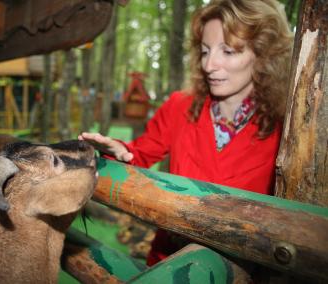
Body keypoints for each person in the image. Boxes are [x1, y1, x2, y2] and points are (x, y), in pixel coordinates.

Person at [79, 0, 293, 266]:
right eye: (205, 51)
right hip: (169, 262)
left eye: (227, 51)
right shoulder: (180, 106)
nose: (209, 64)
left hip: (247, 271)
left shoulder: (287, 129)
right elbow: (141, 153)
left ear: (263, 56)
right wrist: (121, 152)